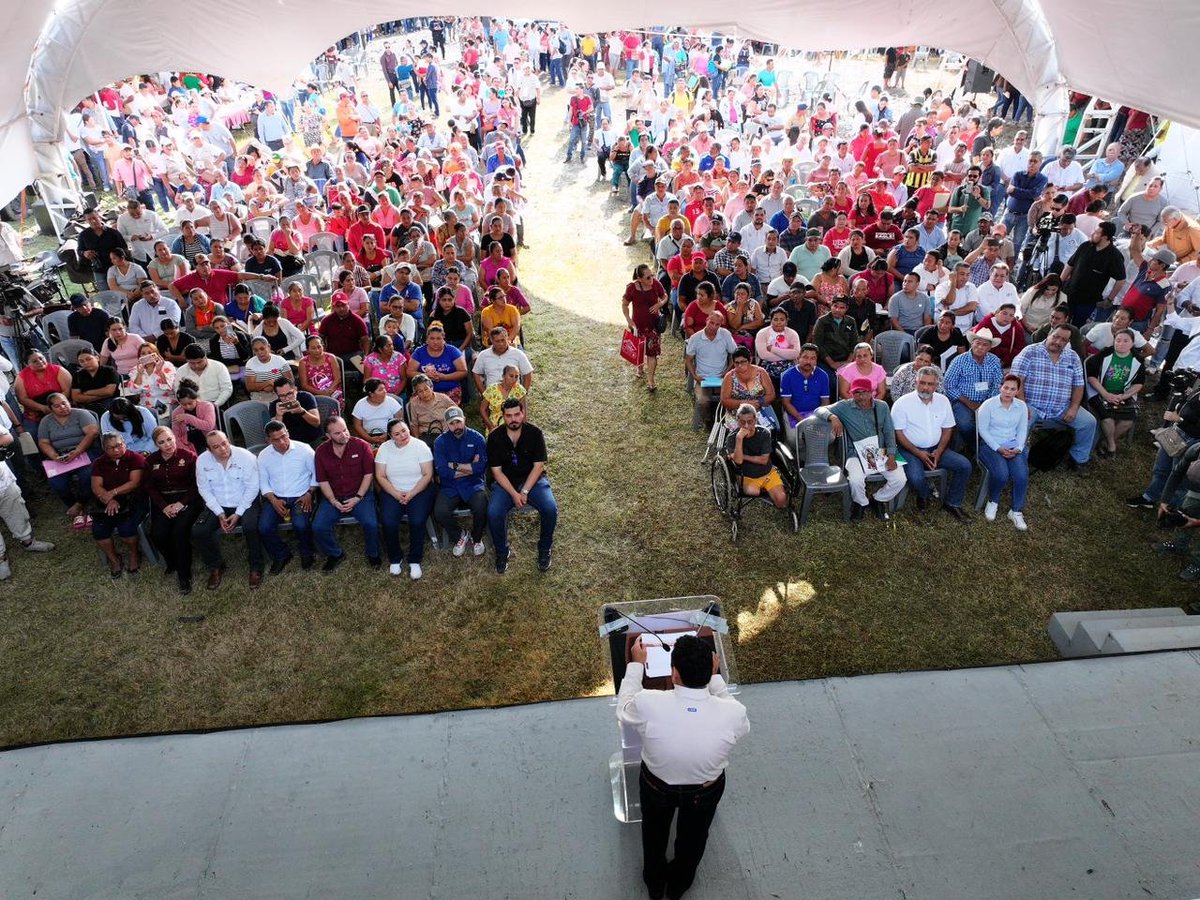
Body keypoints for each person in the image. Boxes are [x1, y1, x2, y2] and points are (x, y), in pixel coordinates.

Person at [617, 631, 748, 900]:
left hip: (656, 787)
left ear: (674, 674)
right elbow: (740, 724)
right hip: (706, 791)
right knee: (693, 840)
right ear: (712, 668)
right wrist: (716, 679)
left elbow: (624, 707)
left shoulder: (648, 702)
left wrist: (636, 665)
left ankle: (654, 884)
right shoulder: (735, 713)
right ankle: (679, 885)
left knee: (653, 835)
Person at [891, 367, 974, 520]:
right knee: (915, 477)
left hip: (936, 449)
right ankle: (924, 494)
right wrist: (919, 453)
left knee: (965, 466)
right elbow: (898, 434)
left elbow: (948, 428)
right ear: (916, 382)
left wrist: (940, 450)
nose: (925, 387)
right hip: (909, 450)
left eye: (930, 384)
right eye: (922, 383)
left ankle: (952, 503)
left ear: (936, 386)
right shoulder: (902, 403)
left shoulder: (943, 401)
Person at [1011, 324, 1096, 473]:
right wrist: (1022, 405)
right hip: (1031, 405)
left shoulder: (1072, 357)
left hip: (1061, 407)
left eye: (1063, 340)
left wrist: (1074, 407)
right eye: (1056, 336)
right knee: (1021, 425)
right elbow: (1017, 380)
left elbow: (1079, 385)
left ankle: (1078, 459)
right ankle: (1018, 460)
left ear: (1068, 342)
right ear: (1049, 333)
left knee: (1089, 422)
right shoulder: (1030, 352)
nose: (1057, 342)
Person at [818, 378, 906, 521]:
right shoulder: (845, 406)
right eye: (856, 393)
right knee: (855, 480)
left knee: (900, 479)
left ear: (871, 392)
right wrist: (832, 417)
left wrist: (891, 454)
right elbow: (819, 410)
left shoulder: (882, 406)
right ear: (852, 393)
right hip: (856, 452)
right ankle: (861, 503)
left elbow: (889, 432)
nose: (861, 396)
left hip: (881, 450)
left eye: (864, 392)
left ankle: (878, 499)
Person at [487, 399, 556, 574]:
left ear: (523, 413)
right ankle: (502, 551)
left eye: (517, 414)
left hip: (533, 480)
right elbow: (496, 471)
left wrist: (524, 491)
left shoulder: (535, 433)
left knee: (550, 508)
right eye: (508, 416)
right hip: (505, 483)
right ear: (503, 417)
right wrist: (513, 493)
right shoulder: (495, 437)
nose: (513, 419)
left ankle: (545, 548)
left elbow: (538, 465)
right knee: (493, 513)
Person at [193, 429, 263, 590]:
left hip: (245, 501)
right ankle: (216, 566)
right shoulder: (202, 460)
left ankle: (256, 566)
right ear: (209, 449)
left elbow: (252, 488)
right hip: (218, 504)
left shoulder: (246, 457)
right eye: (216, 447)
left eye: (224, 443)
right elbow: (204, 489)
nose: (223, 449)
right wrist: (219, 513)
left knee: (251, 527)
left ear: (229, 440)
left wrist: (238, 513)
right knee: (199, 531)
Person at [313, 415, 381, 572]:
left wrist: (358, 498)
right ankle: (335, 554)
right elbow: (322, 481)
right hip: (334, 496)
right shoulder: (321, 452)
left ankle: (373, 553)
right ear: (328, 436)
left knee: (371, 524)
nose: (343, 435)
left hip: (360, 494)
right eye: (337, 433)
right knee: (318, 526)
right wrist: (332, 500)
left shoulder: (362, 446)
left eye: (345, 430)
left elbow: (368, 475)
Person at [375, 418, 435, 580]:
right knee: (388, 522)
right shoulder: (384, 448)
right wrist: (395, 493)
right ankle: (395, 558)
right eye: (397, 434)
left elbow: (428, 474)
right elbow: (380, 475)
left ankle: (415, 559)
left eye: (404, 430)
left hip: (419, 490)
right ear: (390, 436)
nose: (402, 435)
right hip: (392, 490)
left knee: (417, 521)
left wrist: (411, 493)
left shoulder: (420, 446)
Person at [257, 420, 318, 574]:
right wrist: (273, 500)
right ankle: (281, 555)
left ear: (288, 433)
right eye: (276, 439)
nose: (282, 441)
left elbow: (317, 475)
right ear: (269, 440)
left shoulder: (304, 450)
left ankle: (306, 552)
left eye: (284, 436)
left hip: (301, 496)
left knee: (301, 525)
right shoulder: (264, 456)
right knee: (264, 527)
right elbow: (263, 483)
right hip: (276, 497)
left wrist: (310, 493)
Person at [145, 425, 200, 593]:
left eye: (169, 439)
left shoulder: (189, 456)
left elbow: (196, 485)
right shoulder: (151, 461)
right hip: (164, 501)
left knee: (179, 533)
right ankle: (172, 562)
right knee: (158, 535)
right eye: (162, 442)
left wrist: (181, 503)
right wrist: (163, 506)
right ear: (156, 445)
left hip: (187, 499)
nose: (167, 444)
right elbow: (150, 487)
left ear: (174, 437)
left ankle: (184, 576)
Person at [37, 393, 100, 529]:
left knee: (87, 475)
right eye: (57, 406)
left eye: (65, 403)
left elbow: (92, 432)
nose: (63, 407)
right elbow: (43, 442)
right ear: (51, 408)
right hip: (61, 455)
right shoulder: (46, 421)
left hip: (84, 451)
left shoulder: (81, 414)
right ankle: (74, 505)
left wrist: (77, 451)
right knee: (56, 481)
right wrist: (53, 455)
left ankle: (81, 504)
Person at [0, 424, 54, 581]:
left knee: (17, 512)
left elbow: (8, 437)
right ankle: (1, 559)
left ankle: (28, 541)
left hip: (4, 483)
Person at [433, 406, 489, 558]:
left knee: (481, 506)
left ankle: (477, 538)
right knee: (440, 512)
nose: (456, 426)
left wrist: (454, 466)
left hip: (473, 483)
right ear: (446, 425)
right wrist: (469, 467)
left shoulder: (477, 438)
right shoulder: (440, 442)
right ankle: (460, 535)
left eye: (458, 422)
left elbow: (481, 467)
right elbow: (442, 471)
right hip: (449, 486)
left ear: (464, 420)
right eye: (452, 423)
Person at [88, 432, 147, 578]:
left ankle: (134, 554)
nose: (116, 450)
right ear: (104, 449)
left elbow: (134, 483)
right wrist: (109, 499)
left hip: (131, 498)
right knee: (99, 530)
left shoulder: (135, 458)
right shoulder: (99, 463)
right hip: (106, 500)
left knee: (126, 527)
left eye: (119, 445)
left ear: (125, 444)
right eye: (110, 448)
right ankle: (114, 559)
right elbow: (96, 486)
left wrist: (113, 493)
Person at [976, 373, 1030, 530]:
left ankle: (1016, 511)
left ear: (1018, 390)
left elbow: (1022, 430)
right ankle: (993, 501)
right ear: (1000, 387)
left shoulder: (1021, 406)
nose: (1008, 392)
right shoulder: (988, 404)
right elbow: (983, 431)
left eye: (1013, 389)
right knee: (1001, 473)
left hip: (1013, 445)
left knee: (1021, 474)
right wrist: (998, 448)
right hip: (990, 445)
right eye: (1006, 387)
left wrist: (1018, 448)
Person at [1085, 329, 1145, 458]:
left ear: (1132, 343)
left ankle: (1104, 441)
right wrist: (1105, 394)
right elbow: (1091, 376)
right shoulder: (1105, 354)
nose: (1121, 344)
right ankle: (1111, 445)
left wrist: (1124, 396)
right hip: (1100, 391)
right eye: (1118, 340)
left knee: (1127, 421)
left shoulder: (1138, 360)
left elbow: (1139, 383)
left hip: (1122, 394)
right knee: (1108, 419)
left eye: (1125, 341)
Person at [943, 329, 1004, 447]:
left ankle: (986, 446)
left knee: (998, 422)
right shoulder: (959, 361)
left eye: (985, 344)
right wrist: (970, 403)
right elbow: (948, 387)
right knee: (966, 424)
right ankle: (975, 446)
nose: (980, 347)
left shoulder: (994, 361)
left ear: (990, 347)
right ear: (972, 343)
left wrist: (987, 404)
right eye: (978, 343)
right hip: (962, 401)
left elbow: (997, 384)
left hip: (987, 401)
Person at [1060, 221, 1127, 328]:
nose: (1092, 233)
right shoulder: (1085, 246)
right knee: (1060, 321)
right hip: (1069, 293)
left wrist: (1110, 299)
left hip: (1087, 301)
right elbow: (1070, 265)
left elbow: (1121, 280)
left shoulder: (1114, 256)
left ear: (1105, 237)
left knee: (1076, 327)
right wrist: (1059, 283)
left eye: (1096, 232)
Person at [727, 403, 788, 509]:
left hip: (768, 473)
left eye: (750, 422)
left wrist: (743, 456)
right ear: (737, 421)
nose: (746, 426)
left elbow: (764, 460)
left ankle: (772, 491)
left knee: (782, 502)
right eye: (742, 422)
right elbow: (738, 461)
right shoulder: (732, 437)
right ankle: (767, 491)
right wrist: (739, 439)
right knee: (753, 491)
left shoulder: (764, 433)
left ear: (755, 420)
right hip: (746, 476)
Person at [622, 263, 669, 391]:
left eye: (652, 276)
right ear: (639, 278)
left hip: (653, 325)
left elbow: (665, 296)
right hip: (637, 325)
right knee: (639, 349)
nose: (651, 279)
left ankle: (651, 380)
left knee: (652, 353)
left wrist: (660, 305)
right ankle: (640, 367)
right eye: (648, 277)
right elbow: (625, 304)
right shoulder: (632, 288)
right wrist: (629, 320)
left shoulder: (656, 284)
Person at [409, 323, 469, 404]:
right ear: (427, 340)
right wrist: (426, 376)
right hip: (424, 391)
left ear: (443, 339)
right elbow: (409, 372)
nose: (435, 342)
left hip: (450, 389)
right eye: (432, 338)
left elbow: (463, 372)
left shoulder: (453, 351)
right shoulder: (419, 352)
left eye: (438, 338)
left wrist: (444, 377)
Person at [719, 348, 778, 429]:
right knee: (738, 430)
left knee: (765, 430)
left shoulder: (761, 372)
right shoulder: (729, 376)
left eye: (743, 362)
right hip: (736, 413)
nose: (740, 365)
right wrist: (746, 403)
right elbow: (724, 400)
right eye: (737, 363)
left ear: (750, 360)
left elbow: (771, 395)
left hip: (759, 411)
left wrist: (757, 403)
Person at [472, 327, 534, 394]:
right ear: (491, 341)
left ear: (507, 338)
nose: (501, 344)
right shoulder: (483, 355)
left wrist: (523, 395)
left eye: (503, 340)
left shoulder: (518, 354)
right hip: (492, 396)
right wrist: (484, 394)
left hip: (513, 396)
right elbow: (476, 373)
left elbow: (528, 374)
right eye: (497, 341)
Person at [268, 377, 322, 446]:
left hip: (314, 439)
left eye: (289, 394)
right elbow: (275, 433)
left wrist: (302, 411)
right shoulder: (274, 406)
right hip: (291, 443)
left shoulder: (306, 397)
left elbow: (316, 423)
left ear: (295, 390)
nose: (287, 398)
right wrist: (279, 416)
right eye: (282, 396)